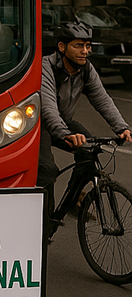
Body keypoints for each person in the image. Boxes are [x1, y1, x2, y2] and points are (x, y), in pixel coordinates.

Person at [38, 21, 132, 207]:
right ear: (62, 47)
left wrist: (121, 127)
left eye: (88, 46)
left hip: (64, 121)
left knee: (90, 151)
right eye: (78, 46)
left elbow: (102, 99)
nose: (85, 51)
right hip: (40, 125)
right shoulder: (46, 67)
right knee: (47, 170)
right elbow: (47, 108)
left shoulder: (86, 69)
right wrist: (65, 134)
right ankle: (44, 226)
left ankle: (72, 200)